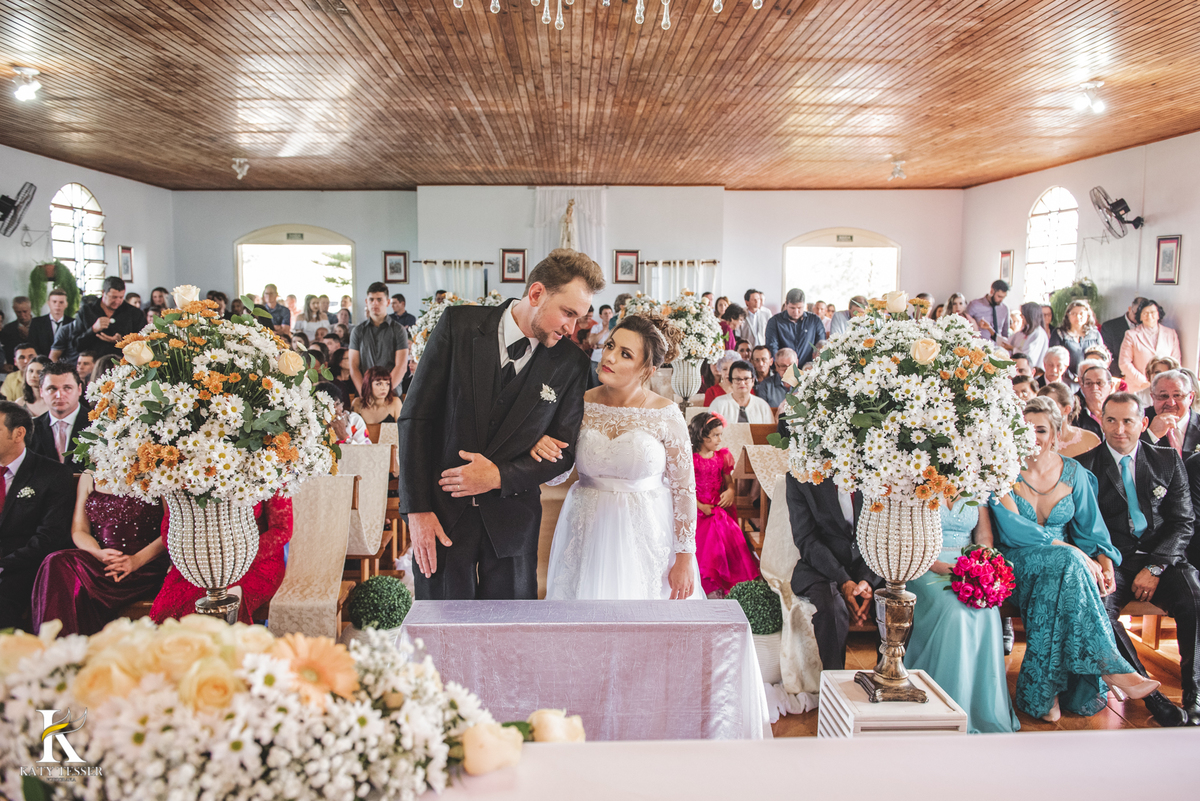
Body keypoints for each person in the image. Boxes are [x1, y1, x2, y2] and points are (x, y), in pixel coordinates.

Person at [397, 248, 603, 601]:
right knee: (440, 639)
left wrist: (498, 477)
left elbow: (563, 453)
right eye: (567, 313)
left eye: (579, 318)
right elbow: (416, 418)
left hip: (513, 522)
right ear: (536, 293)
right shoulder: (457, 326)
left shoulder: (572, 364)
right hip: (443, 517)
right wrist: (417, 511)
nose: (572, 328)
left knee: (508, 641)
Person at [989, 397, 1159, 721]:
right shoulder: (1002, 472)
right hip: (1015, 564)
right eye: (1025, 428)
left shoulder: (1075, 473)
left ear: (1055, 433)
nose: (1033, 435)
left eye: (1040, 429)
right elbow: (1012, 530)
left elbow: (1091, 530)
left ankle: (1043, 695)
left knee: (1064, 574)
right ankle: (1110, 666)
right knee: (1068, 564)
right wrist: (1069, 549)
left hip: (1068, 569)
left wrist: (1106, 565)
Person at [541, 313, 701, 601]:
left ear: (647, 370)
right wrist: (544, 450)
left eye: (625, 354)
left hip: (648, 533)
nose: (609, 357)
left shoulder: (665, 414)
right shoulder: (580, 403)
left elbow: (684, 489)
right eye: (611, 345)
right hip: (587, 527)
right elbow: (558, 474)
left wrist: (685, 555)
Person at [1077, 392, 1200, 727]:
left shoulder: (1167, 460)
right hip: (1110, 559)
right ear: (1101, 421)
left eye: (1128, 420)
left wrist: (1156, 566)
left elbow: (1183, 521)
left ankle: (1196, 696)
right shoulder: (1085, 466)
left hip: (1162, 558)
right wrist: (1103, 563)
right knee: (1098, 611)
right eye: (1112, 420)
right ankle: (1152, 698)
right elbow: (1084, 527)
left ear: (1143, 423)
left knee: (1195, 598)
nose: (1119, 429)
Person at [905, 493, 1019, 733]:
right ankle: (945, 704)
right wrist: (941, 566)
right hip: (926, 564)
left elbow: (983, 535)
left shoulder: (975, 483)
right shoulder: (920, 479)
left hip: (968, 562)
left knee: (987, 607)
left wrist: (980, 565)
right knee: (954, 610)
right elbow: (909, 535)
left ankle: (981, 708)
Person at [31, 473, 166, 636]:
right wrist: (98, 553)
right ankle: (58, 648)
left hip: (145, 565)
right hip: (101, 562)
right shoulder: (89, 476)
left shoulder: (158, 473)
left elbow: (171, 526)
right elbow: (79, 529)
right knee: (56, 561)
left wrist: (136, 560)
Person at [785, 444, 880, 670]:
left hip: (871, 562)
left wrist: (867, 581)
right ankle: (833, 681)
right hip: (823, 566)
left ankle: (887, 678)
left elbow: (885, 532)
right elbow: (806, 538)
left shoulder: (877, 471)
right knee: (831, 606)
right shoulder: (801, 476)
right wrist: (844, 580)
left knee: (894, 602)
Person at [151, 494, 293, 624]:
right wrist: (196, 558)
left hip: (255, 561)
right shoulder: (183, 472)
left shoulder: (269, 469)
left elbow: (282, 529)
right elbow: (169, 528)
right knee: (168, 609)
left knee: (224, 606)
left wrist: (234, 558)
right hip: (197, 562)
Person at [0, 401, 74, 630]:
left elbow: (49, 537)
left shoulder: (52, 474)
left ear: (18, 433)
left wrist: (3, 564)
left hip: (23, 568)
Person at [688, 411, 760, 597]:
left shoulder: (722, 456)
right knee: (708, 539)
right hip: (697, 510)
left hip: (718, 510)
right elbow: (685, 488)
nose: (720, 439)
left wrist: (731, 491)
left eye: (721, 434)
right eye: (716, 435)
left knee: (729, 534)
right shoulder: (691, 459)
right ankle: (709, 586)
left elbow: (729, 482)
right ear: (702, 436)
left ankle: (730, 585)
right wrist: (700, 506)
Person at [349, 282, 410, 396]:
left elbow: (401, 367)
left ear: (387, 302)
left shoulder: (399, 330)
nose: (375, 303)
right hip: (365, 394)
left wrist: (383, 392)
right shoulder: (357, 331)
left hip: (391, 394)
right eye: (371, 299)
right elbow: (354, 367)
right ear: (366, 302)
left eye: (379, 299)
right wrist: (365, 393)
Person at [28, 362, 90, 471]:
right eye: (52, 388)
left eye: (67, 388)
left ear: (79, 389)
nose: (59, 395)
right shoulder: (31, 428)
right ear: (41, 391)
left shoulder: (98, 424)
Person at [73, 277, 144, 359]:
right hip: (93, 363)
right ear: (103, 292)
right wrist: (93, 329)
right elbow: (76, 345)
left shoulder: (134, 313)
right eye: (113, 297)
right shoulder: (86, 311)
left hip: (123, 362)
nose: (117, 301)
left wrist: (122, 342)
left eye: (121, 297)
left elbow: (143, 343)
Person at [1119, 298, 1181, 393]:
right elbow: (1124, 363)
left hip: (1165, 386)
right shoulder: (1131, 335)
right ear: (1140, 316)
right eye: (1145, 313)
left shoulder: (1170, 333)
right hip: (1138, 387)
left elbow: (1176, 361)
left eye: (1153, 312)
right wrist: (1144, 381)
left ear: (1158, 315)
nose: (1149, 316)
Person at [1142, 369, 1200, 456]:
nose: (1171, 403)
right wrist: (1151, 434)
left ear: (1190, 397)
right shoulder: (1139, 421)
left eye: (1177, 395)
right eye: (1163, 396)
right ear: (1153, 397)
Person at [765, 288, 825, 368]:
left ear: (805, 305)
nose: (796, 312)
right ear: (786, 305)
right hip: (784, 369)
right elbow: (772, 346)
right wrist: (779, 367)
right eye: (792, 308)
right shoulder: (775, 321)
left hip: (809, 369)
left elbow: (821, 345)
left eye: (799, 308)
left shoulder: (814, 320)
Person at [1038, 381, 1100, 458]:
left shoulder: (1090, 440)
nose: (1043, 411)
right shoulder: (1035, 441)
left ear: (1067, 409)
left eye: (1050, 405)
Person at [1049, 299, 1103, 378]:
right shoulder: (1059, 333)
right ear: (1068, 315)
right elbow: (1054, 356)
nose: (1078, 317)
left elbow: (1102, 356)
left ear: (1087, 316)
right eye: (1074, 314)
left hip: (1091, 377)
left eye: (1081, 314)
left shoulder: (1094, 334)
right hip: (1066, 377)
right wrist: (1071, 376)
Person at [1100, 296, 1146, 379]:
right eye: (1136, 314)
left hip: (1142, 375)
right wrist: (1124, 373)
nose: (1139, 318)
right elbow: (1109, 355)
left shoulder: (1147, 327)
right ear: (1129, 309)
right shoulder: (1110, 326)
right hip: (1119, 375)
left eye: (1142, 315)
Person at [316, 381, 370, 445]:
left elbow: (367, 451)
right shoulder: (313, 424)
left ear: (342, 405)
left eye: (337, 404)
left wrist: (344, 436)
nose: (335, 409)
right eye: (329, 406)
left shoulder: (354, 421)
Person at [28, 288, 71, 357]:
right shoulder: (37, 323)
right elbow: (33, 345)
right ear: (49, 303)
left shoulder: (72, 323)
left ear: (66, 304)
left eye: (61, 302)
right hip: (43, 363)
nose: (57, 305)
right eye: (54, 302)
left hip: (67, 364)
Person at [1076, 361, 1114, 439]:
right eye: (1089, 383)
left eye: (1099, 383)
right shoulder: (1074, 415)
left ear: (1111, 386)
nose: (1094, 388)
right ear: (1082, 387)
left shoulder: (1119, 412)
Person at [1006, 301, 1049, 369]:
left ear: (1030, 316)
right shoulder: (1024, 331)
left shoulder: (1038, 334)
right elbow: (1008, 341)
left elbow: (1029, 357)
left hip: (1030, 371)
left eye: (1023, 314)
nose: (1021, 316)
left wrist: (1012, 349)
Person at [0, 296, 32, 365]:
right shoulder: (7, 329)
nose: (22, 315)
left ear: (30, 309)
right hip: (15, 366)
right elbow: (6, 350)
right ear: (14, 309)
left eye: (25, 311)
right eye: (19, 312)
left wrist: (29, 335)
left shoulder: (40, 326)